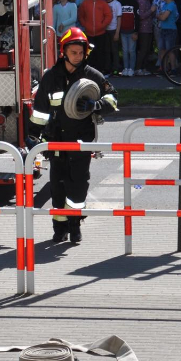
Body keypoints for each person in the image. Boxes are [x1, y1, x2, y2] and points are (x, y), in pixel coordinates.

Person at [27, 28, 118, 245]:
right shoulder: (51, 77)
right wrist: (33, 136)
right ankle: (59, 228)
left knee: (77, 186)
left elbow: (114, 99)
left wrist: (96, 105)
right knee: (57, 187)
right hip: (56, 142)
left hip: (81, 142)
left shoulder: (92, 76)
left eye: (81, 52)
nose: (78, 56)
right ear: (64, 52)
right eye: (73, 52)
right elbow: (40, 111)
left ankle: (75, 225)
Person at [78, 0, 114, 75]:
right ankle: (89, 72)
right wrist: (85, 25)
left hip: (101, 34)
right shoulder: (85, 4)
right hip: (88, 34)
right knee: (89, 53)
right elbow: (81, 16)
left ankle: (100, 71)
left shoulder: (103, 3)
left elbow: (108, 15)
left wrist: (102, 25)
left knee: (100, 53)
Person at [153, 0, 179, 74]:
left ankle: (173, 68)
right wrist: (160, 15)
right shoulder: (166, 5)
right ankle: (164, 67)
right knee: (162, 49)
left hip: (170, 30)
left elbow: (163, 17)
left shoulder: (171, 5)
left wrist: (159, 16)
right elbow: (161, 14)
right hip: (163, 29)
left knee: (170, 49)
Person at [116, 0, 140, 77]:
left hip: (132, 31)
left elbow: (137, 18)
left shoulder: (135, 3)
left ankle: (131, 68)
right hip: (122, 31)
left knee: (132, 50)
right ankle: (125, 68)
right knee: (125, 50)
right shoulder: (120, 3)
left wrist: (136, 31)